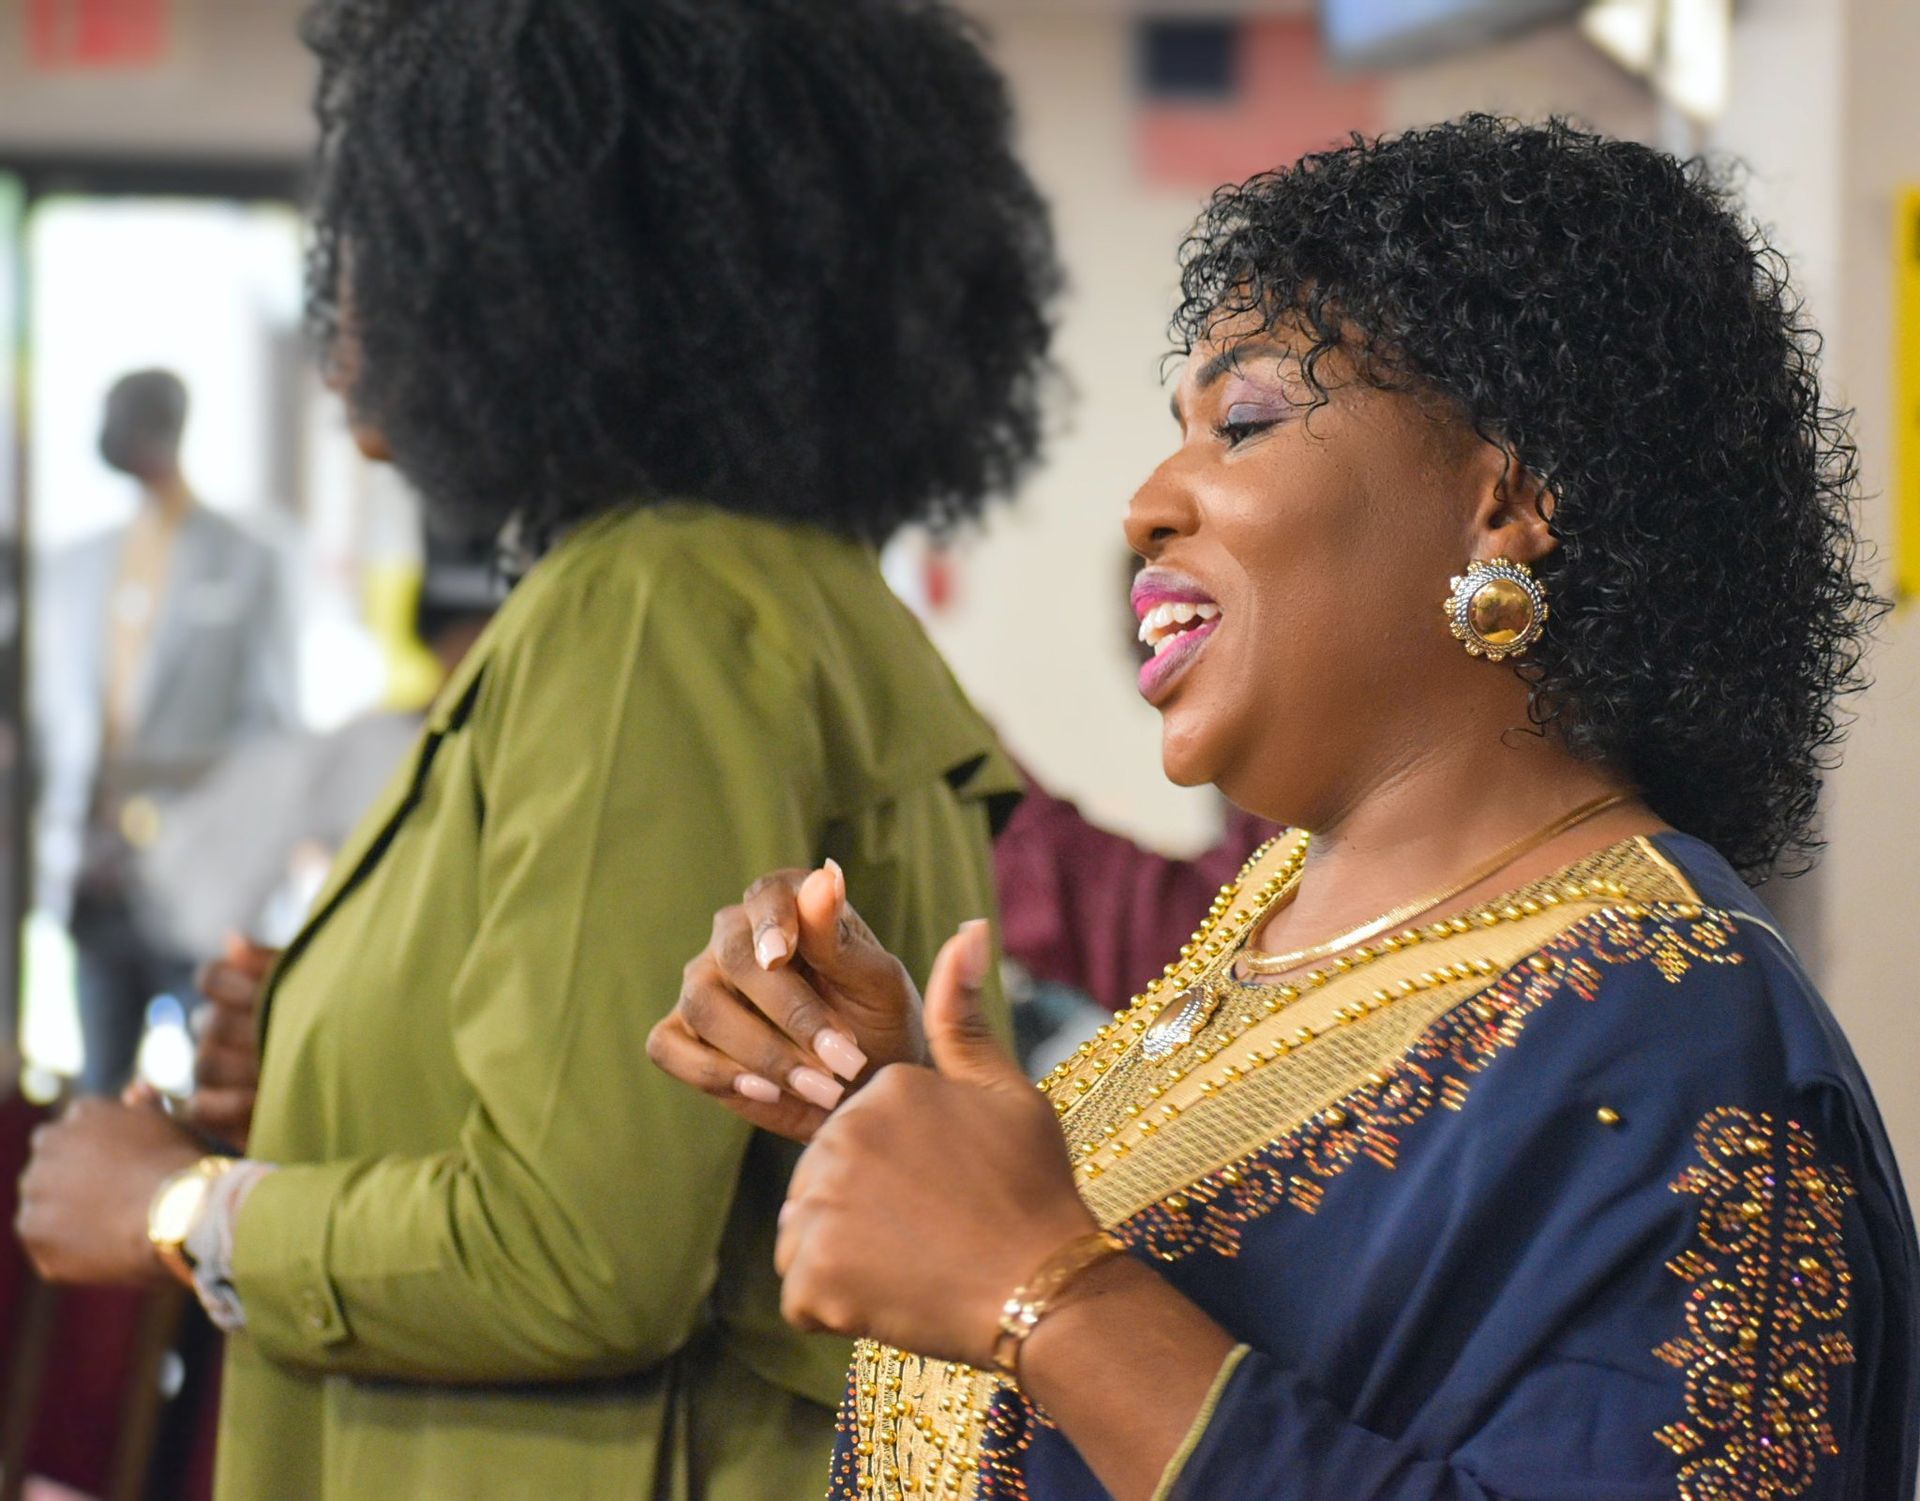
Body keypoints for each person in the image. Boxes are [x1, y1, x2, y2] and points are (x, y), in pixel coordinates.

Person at [650, 118, 1920, 1498]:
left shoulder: (1673, 1024)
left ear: (1506, 500)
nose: (1147, 504)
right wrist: (890, 1110)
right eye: (1174, 438)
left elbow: (1071, 1313)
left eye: (1243, 423)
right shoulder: (1260, 939)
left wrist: (1048, 1294)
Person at [15, 3, 1057, 1499]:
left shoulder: (648, 608)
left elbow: (574, 1254)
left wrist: (183, 1207)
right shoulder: (767, 583)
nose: (344, 290)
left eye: (385, 217)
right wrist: (322, 1086)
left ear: (541, 258)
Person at [33, 369, 296, 1095]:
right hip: (94, 877)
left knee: (216, 1086)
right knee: (97, 1087)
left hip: (199, 878)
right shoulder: (73, 566)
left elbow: (270, 725)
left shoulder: (249, 555)